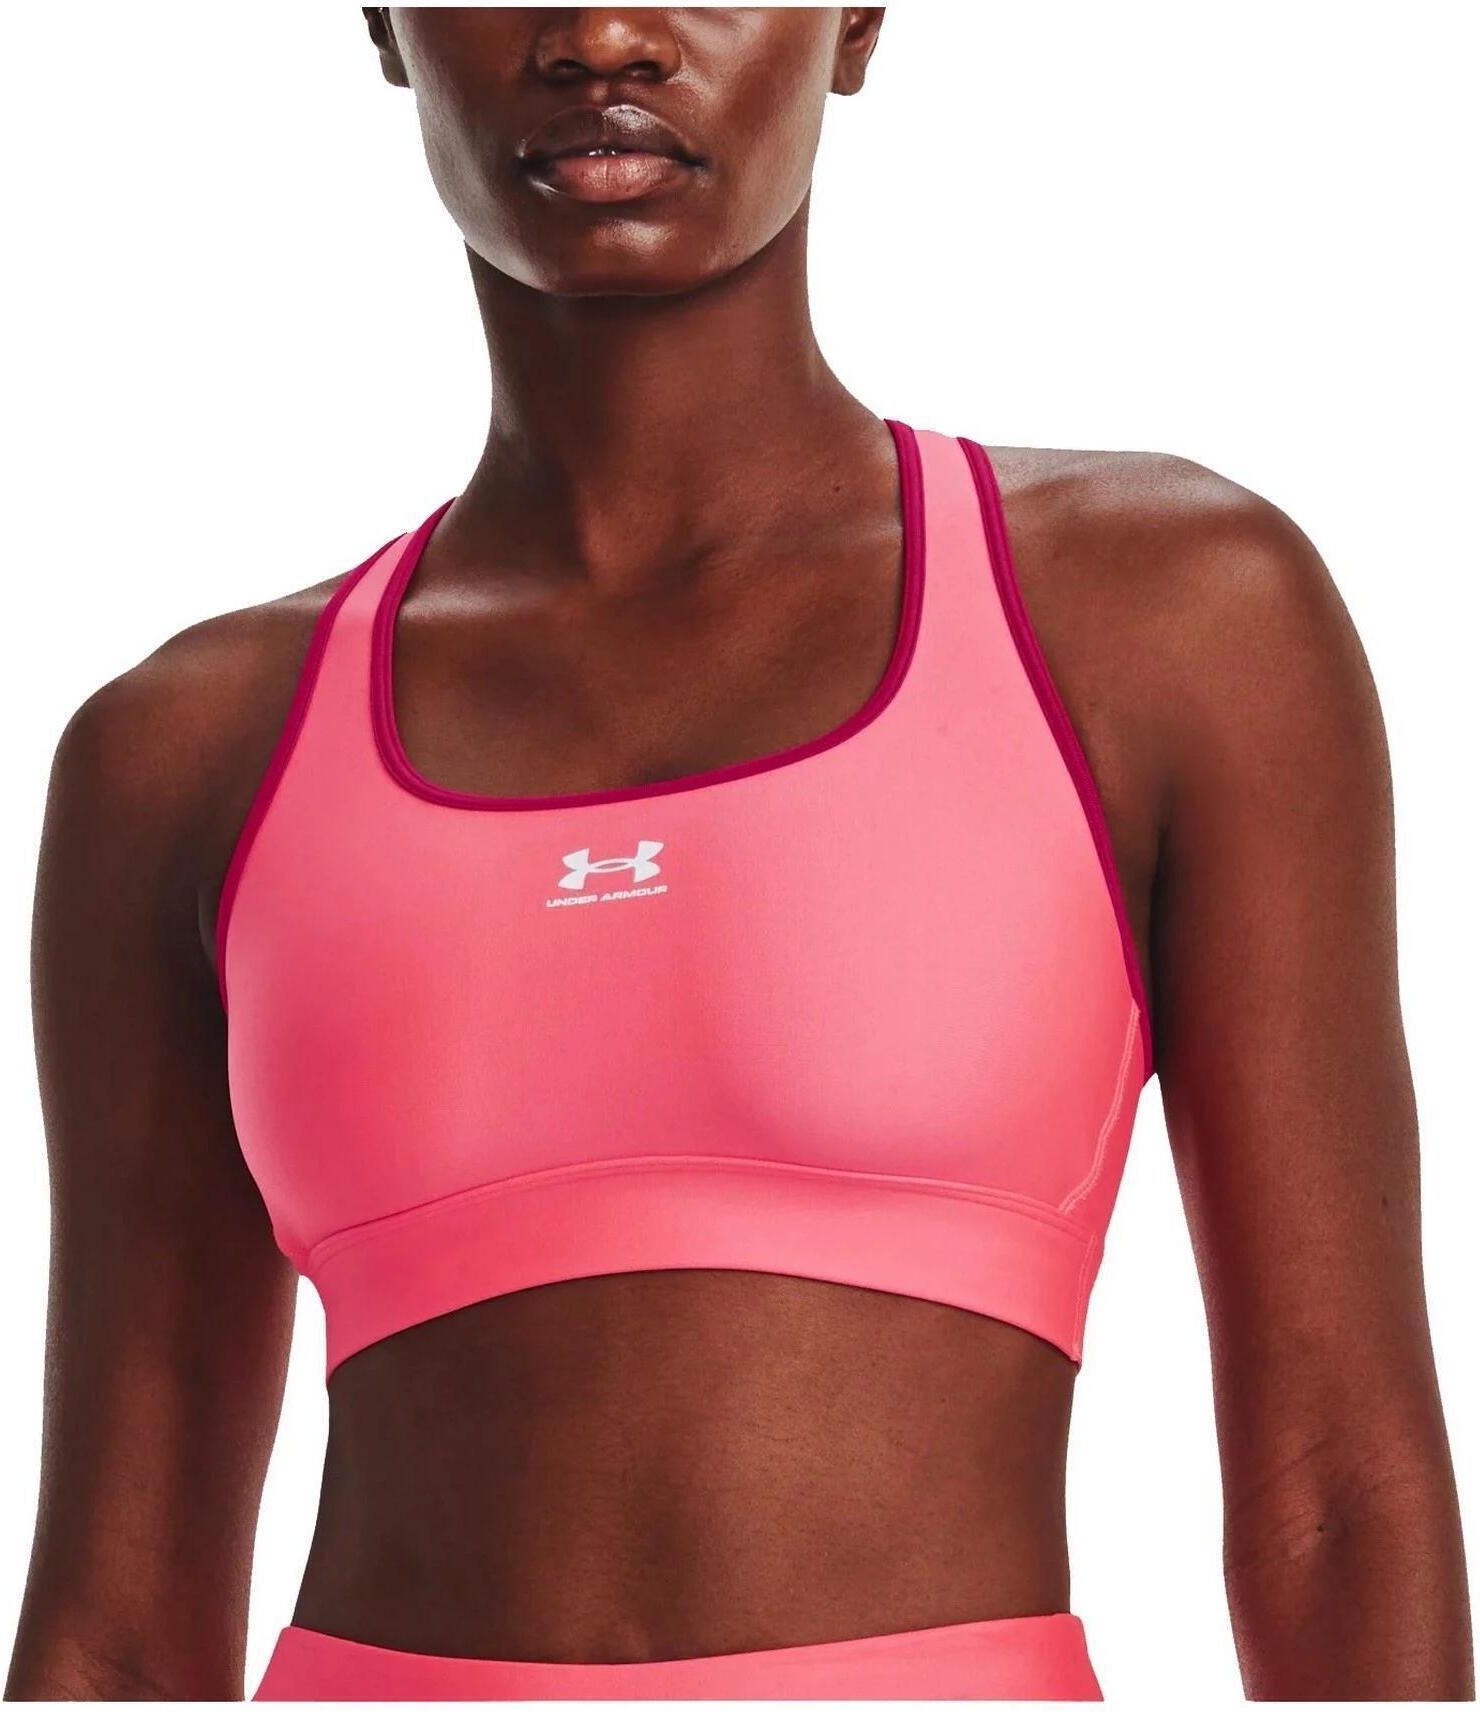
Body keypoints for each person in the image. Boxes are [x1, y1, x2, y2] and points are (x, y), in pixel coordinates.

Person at [5, 8, 1471, 1702]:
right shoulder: (184, 754)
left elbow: (1337, 1499)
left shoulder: (1169, 618)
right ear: (385, 24)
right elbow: (118, 1624)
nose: (603, 34)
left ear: (857, 20)